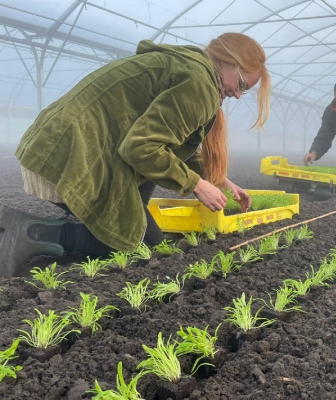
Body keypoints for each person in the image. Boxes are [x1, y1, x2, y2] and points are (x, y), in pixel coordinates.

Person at [0, 32, 271, 278]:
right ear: (229, 62)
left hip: (61, 143)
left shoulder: (189, 65)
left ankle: (89, 227)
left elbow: (171, 142)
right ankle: (28, 231)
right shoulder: (198, 84)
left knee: (141, 233)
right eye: (242, 85)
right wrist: (196, 185)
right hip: (70, 156)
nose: (237, 94)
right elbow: (141, 147)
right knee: (135, 245)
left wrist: (220, 180)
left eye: (244, 91)